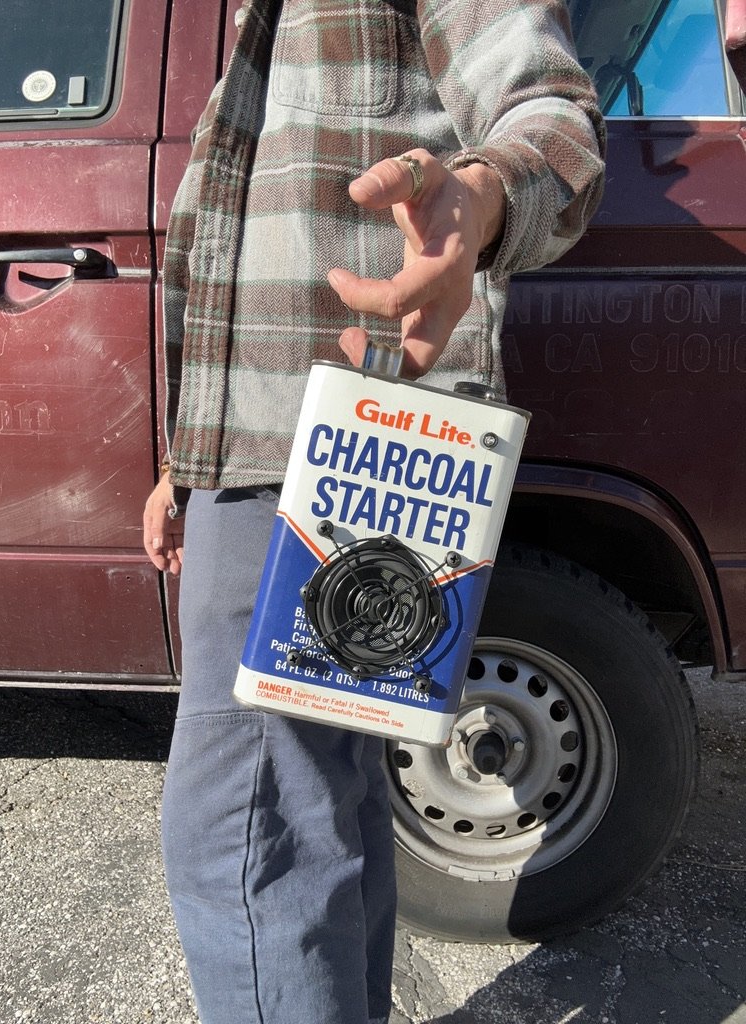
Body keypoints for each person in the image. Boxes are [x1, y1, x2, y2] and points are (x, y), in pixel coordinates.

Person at [143, 2, 606, 1022]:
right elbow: (225, 236)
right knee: (324, 800)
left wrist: (482, 196)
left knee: (244, 824)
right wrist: (185, 463)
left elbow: (552, 117)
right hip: (251, 438)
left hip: (343, 437)